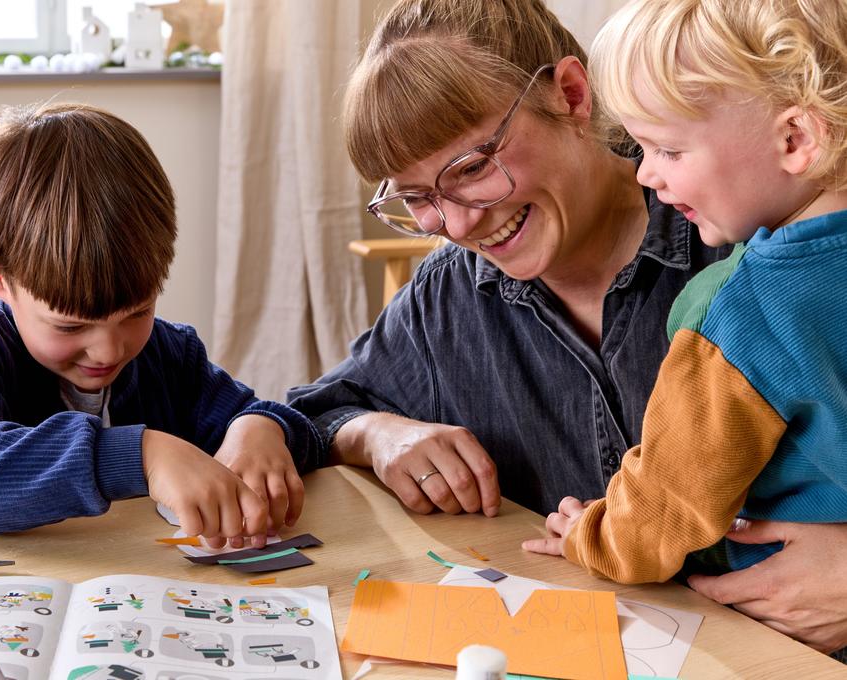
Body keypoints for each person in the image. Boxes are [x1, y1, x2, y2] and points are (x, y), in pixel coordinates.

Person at [287, 0, 847, 654]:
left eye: (471, 169)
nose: (458, 226)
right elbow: (317, 411)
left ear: (573, 95)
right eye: (416, 199)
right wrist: (380, 433)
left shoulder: (744, 227)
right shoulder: (449, 295)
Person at [521, 0, 847, 636]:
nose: (646, 174)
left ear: (795, 139)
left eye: (667, 149)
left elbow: (664, 509)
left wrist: (587, 537)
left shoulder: (738, 311)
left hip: (786, 628)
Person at [0, 102, 322, 548]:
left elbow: (301, 432)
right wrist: (140, 456)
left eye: (137, 312)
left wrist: (261, 429)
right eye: (69, 326)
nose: (108, 350)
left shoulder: (170, 355)